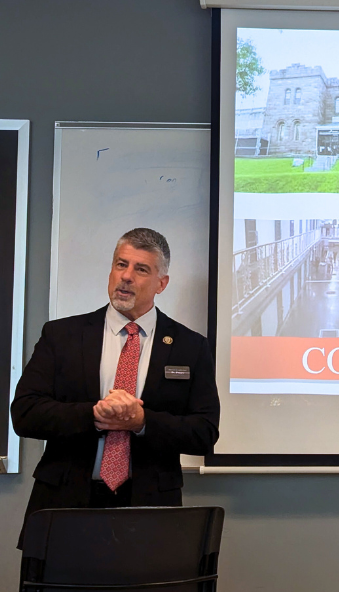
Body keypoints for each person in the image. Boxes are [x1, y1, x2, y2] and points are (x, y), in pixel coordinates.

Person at [12, 228, 220, 547]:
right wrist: (93, 415)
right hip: (64, 505)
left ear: (161, 283)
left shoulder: (190, 347)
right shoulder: (62, 335)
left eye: (141, 269)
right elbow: (24, 414)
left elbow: (205, 432)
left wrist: (143, 422)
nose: (126, 277)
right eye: (120, 264)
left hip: (150, 510)